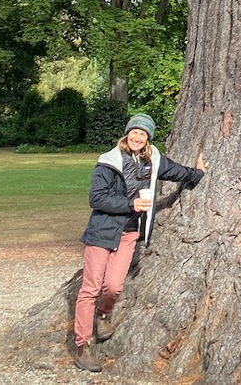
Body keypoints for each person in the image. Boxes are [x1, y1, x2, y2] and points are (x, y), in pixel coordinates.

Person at [73, 113, 206, 372]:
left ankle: (103, 314)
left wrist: (198, 172)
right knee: (90, 288)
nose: (137, 136)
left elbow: (179, 172)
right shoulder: (108, 162)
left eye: (142, 133)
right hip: (102, 230)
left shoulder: (153, 160)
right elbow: (96, 199)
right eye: (134, 131)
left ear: (148, 139)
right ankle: (83, 346)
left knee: (113, 287)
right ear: (127, 134)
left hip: (130, 232)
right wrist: (130, 204)